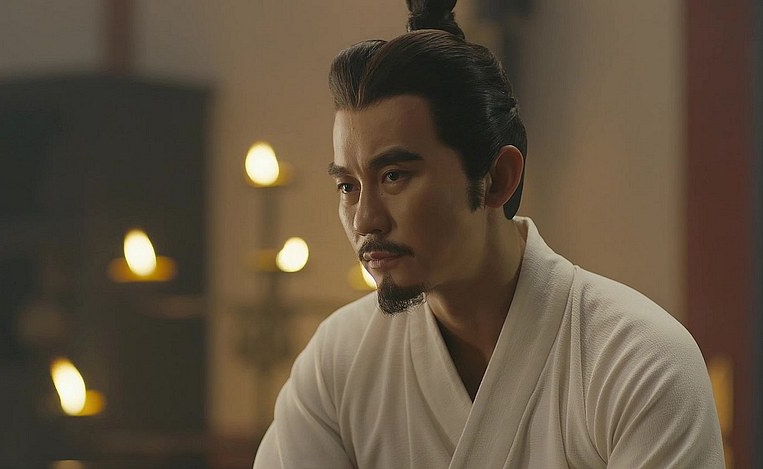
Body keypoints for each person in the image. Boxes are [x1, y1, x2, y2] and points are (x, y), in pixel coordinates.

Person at [254, 0, 725, 467]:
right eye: (348, 186)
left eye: (394, 176)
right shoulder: (339, 361)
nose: (364, 221)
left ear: (498, 178)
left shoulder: (638, 362)